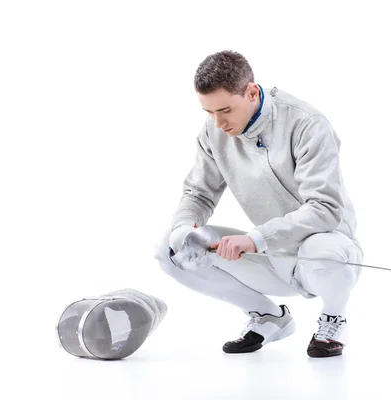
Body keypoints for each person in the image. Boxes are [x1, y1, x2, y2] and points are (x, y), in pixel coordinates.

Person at [154, 50, 363, 358]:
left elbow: (325, 207)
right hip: (270, 257)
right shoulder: (214, 129)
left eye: (225, 110)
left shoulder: (306, 123)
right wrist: (185, 228)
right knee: (170, 251)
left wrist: (255, 239)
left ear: (252, 91)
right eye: (209, 112)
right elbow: (198, 193)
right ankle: (269, 318)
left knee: (326, 255)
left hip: (323, 252)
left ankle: (334, 317)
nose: (218, 123)